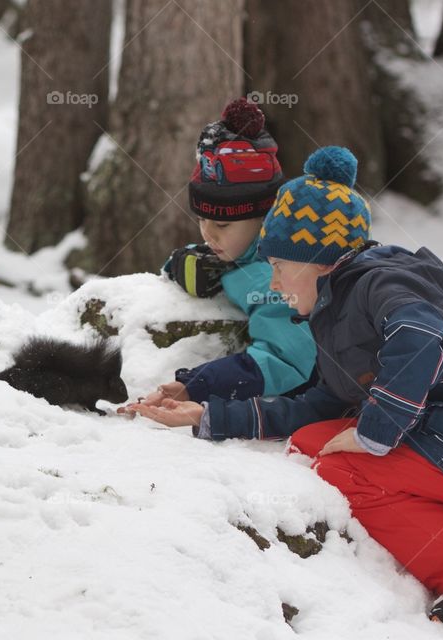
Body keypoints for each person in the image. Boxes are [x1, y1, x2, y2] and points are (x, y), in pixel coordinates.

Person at [125, 146, 443, 623]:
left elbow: (419, 334)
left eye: (278, 266)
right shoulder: (332, 311)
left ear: (318, 260)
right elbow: (319, 403)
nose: (274, 285)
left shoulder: (382, 284)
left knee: (345, 469)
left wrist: (373, 431)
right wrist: (209, 414)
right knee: (312, 440)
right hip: (439, 437)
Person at [131, 97, 317, 412]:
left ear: (266, 217)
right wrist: (189, 263)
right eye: (200, 220)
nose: (208, 234)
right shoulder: (245, 252)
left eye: (221, 223)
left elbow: (285, 359)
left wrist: (195, 385)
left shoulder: (279, 278)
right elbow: (218, 251)